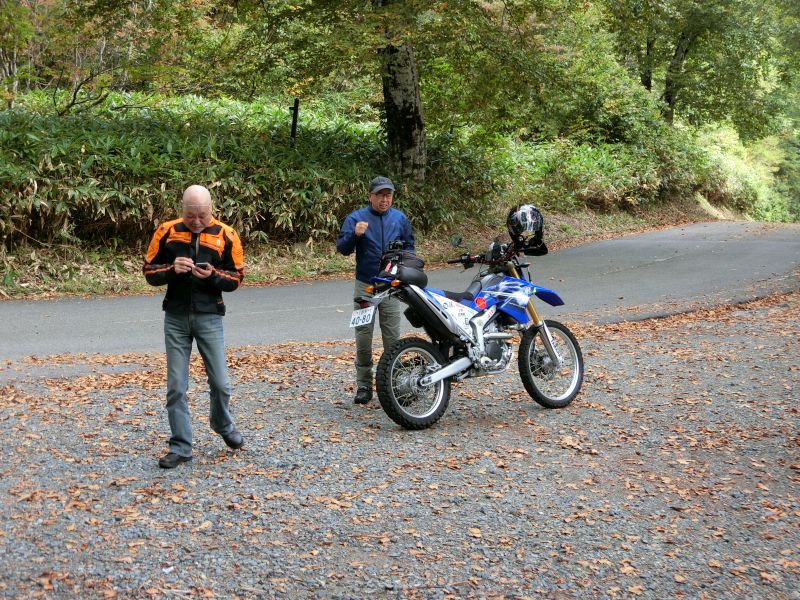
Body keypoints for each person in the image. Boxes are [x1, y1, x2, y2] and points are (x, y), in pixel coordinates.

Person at [143, 185, 246, 468]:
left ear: (211, 209)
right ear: (182, 209)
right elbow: (149, 272)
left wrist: (212, 275)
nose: (197, 221)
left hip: (209, 316)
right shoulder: (166, 231)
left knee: (221, 384)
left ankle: (222, 424)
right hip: (175, 317)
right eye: (191, 216)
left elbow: (236, 278)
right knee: (176, 387)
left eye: (202, 215)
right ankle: (181, 446)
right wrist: (171, 269)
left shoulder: (227, 234)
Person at [336, 176, 415, 405]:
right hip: (365, 286)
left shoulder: (399, 218)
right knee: (363, 338)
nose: (384, 199)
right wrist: (355, 235)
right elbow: (342, 248)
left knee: (392, 338)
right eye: (380, 195)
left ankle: (396, 385)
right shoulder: (356, 218)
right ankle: (364, 385)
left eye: (388, 195)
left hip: (390, 286)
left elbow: (410, 248)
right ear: (370, 196)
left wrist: (403, 270)